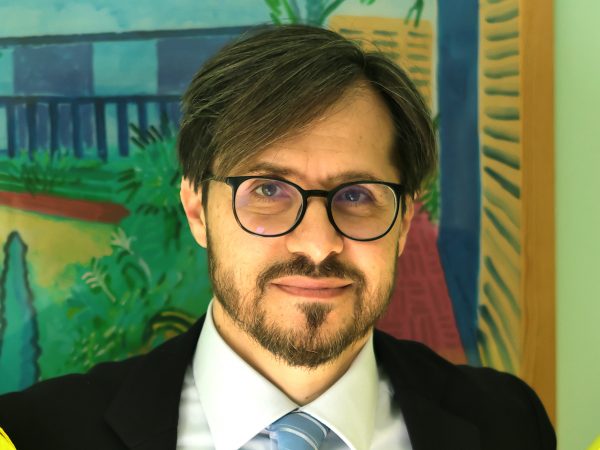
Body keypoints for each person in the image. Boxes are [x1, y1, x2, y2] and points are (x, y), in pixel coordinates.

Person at [0, 24, 555, 450]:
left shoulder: (509, 424)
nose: (317, 244)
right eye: (267, 190)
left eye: (357, 195)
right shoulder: (35, 433)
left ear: (405, 222)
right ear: (197, 210)